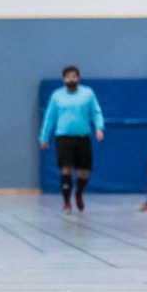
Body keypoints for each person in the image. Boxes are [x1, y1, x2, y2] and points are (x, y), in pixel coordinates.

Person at [38, 66, 105, 214]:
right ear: (64, 79)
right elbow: (49, 117)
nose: (71, 79)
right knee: (66, 169)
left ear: (78, 78)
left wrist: (99, 127)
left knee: (84, 172)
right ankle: (67, 202)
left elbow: (96, 112)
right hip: (63, 138)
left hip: (82, 137)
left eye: (74, 76)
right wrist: (44, 137)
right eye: (68, 77)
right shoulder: (57, 96)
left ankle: (79, 193)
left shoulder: (88, 94)